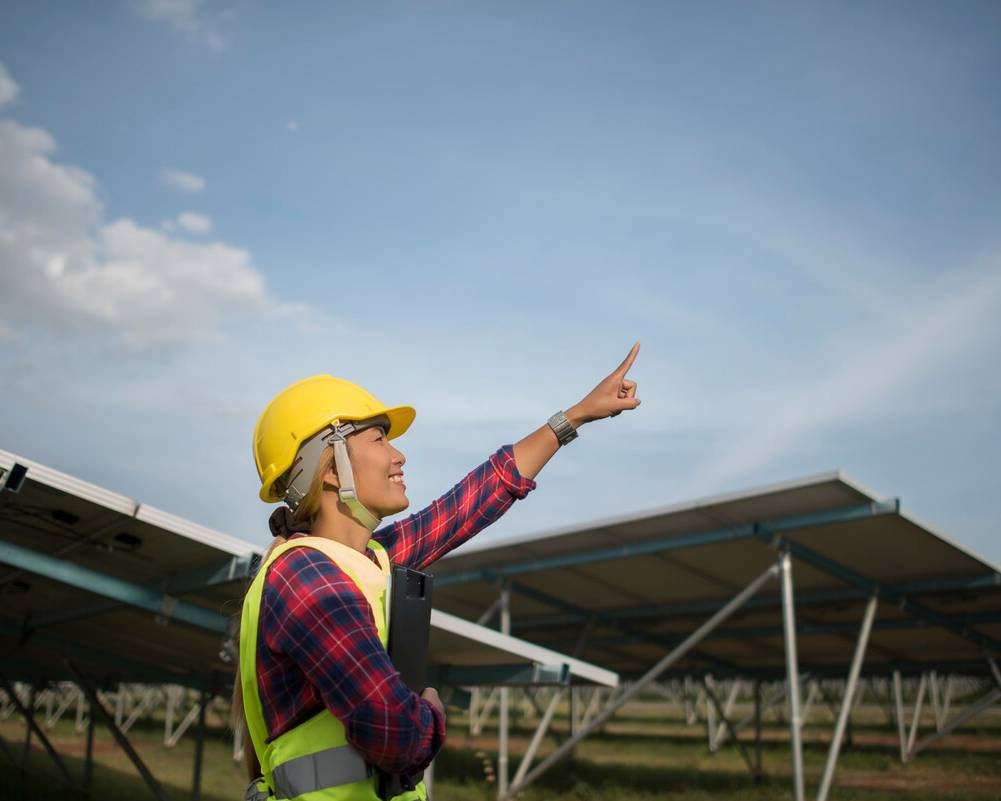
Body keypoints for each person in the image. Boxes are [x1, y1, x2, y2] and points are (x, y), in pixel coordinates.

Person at [235, 343, 641, 801]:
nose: (398, 455)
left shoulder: (367, 558)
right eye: (379, 439)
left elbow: (468, 504)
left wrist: (577, 416)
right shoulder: (309, 578)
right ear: (330, 469)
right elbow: (394, 732)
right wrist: (430, 713)